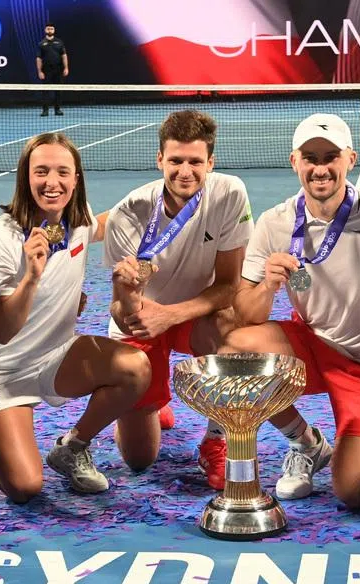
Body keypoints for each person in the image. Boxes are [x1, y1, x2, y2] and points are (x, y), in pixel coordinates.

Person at [222, 113, 360, 506]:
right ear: (295, 162)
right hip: (312, 346)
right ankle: (307, 444)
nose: (320, 168)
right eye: (310, 158)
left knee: (353, 494)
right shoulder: (274, 222)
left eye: (330, 157)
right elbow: (245, 311)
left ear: (350, 160)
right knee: (234, 351)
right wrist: (269, 286)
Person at [0, 132, 150, 501]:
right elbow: (1, 330)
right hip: (0, 371)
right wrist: (33, 277)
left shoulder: (77, 222)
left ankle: (71, 447)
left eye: (63, 172)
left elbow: (112, 219)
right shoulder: (1, 238)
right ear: (25, 177)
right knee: (25, 488)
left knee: (135, 368)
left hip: (54, 358)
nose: (53, 182)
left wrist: (172, 194)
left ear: (76, 178)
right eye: (42, 171)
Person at [104, 110, 253, 490]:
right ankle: (153, 399)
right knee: (139, 460)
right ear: (159, 160)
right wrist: (134, 307)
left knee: (233, 328)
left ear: (211, 163)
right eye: (175, 161)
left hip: (193, 314)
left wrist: (171, 316)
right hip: (142, 319)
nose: (185, 171)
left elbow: (228, 285)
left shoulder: (230, 194)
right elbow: (120, 311)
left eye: (195, 161)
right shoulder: (128, 214)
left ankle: (217, 439)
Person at [36, 24, 68, 116]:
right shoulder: (41, 44)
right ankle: (45, 110)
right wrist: (40, 71)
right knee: (45, 91)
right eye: (48, 29)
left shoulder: (59, 42)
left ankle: (57, 109)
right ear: (45, 30)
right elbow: (39, 58)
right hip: (46, 70)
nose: (50, 30)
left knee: (58, 90)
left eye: (52, 29)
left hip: (58, 69)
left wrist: (66, 68)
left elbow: (64, 56)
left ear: (54, 30)